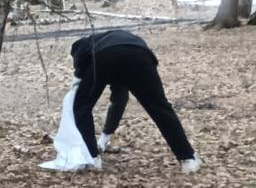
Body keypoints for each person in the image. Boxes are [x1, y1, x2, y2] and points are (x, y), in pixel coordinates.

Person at [70, 29, 200, 173]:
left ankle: (92, 159)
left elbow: (79, 74)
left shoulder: (82, 47)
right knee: (159, 107)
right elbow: (119, 100)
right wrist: (106, 135)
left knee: (81, 107)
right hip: (140, 55)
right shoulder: (108, 39)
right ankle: (188, 158)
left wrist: (77, 85)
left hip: (105, 57)